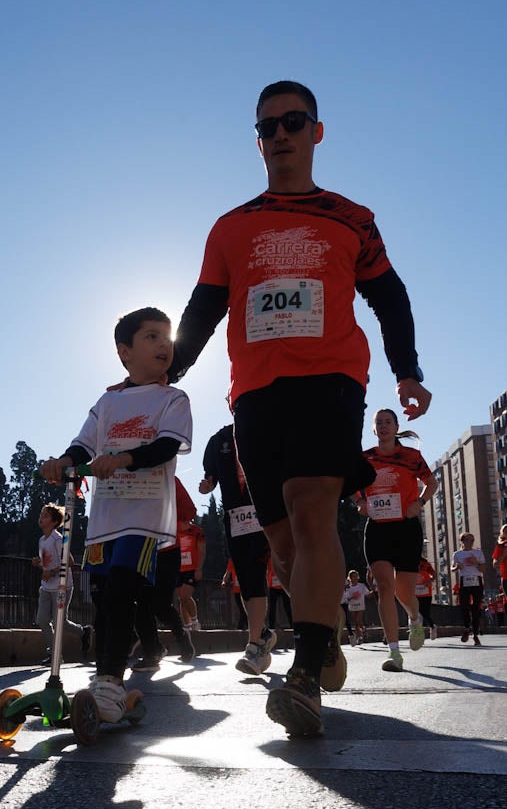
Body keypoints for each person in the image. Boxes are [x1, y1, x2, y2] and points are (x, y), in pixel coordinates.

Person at [170, 80, 429, 738]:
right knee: (283, 546)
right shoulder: (231, 227)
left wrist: (407, 371)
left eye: (293, 121)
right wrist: (167, 373)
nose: (280, 134)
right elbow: (203, 307)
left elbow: (390, 296)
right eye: (267, 127)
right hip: (254, 394)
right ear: (257, 141)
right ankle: (323, 630)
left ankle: (306, 673)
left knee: (315, 512)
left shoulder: (351, 218)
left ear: (317, 131)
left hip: (331, 381)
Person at [40, 307, 192, 721]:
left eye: (167, 336)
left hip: (144, 517)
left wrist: (123, 457)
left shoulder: (172, 399)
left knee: (125, 583)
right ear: (124, 352)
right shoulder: (107, 402)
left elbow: (165, 447)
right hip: (105, 518)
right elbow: (82, 447)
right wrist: (62, 462)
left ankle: (110, 679)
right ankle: (103, 679)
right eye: (152, 337)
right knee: (104, 594)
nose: (164, 344)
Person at [353, 409, 439, 672]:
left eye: (388, 422)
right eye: (379, 423)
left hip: (406, 529)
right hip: (378, 528)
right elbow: (352, 488)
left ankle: (415, 618)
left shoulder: (411, 457)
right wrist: (360, 503)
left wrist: (420, 503)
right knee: (384, 588)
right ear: (374, 429)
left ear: (396, 426)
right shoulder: (365, 458)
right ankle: (394, 653)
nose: (383, 426)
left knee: (404, 592)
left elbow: (431, 483)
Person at [200, 423, 278, 674]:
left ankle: (257, 644)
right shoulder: (218, 439)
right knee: (246, 579)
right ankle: (261, 636)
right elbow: (210, 478)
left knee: (269, 574)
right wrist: (206, 486)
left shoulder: (265, 428)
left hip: (268, 513)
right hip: (235, 519)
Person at [134, 477, 198, 668]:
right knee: (140, 603)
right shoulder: (128, 481)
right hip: (139, 549)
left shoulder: (168, 479)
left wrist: (167, 513)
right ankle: (152, 652)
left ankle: (182, 637)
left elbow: (190, 510)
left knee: (160, 605)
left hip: (167, 550)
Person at [33, 502, 91, 664]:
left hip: (62, 587)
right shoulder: (41, 540)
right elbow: (47, 564)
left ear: (53, 522)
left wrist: (50, 572)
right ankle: (57, 651)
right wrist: (38, 563)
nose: (41, 518)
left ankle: (58, 652)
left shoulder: (58, 539)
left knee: (60, 622)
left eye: (45, 516)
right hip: (45, 587)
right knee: (42, 620)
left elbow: (70, 561)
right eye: (41, 515)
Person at [450, 531, 486, 645]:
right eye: (467, 540)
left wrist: (476, 562)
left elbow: (483, 569)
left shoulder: (478, 553)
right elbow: (452, 568)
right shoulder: (457, 554)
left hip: (477, 580)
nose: (470, 542)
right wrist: (456, 567)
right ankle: (466, 628)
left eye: (472, 540)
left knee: (476, 608)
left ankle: (475, 634)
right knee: (464, 607)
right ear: (462, 541)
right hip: (464, 580)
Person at [176, 508, 206, 635]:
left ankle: (195, 621)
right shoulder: (173, 530)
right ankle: (187, 626)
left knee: (185, 596)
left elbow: (202, 550)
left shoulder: (197, 531)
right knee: (181, 599)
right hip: (177, 568)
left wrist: (199, 568)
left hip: (192, 569)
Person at [342, 570, 369, 646]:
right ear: (350, 578)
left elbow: (368, 594)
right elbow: (346, 598)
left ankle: (361, 634)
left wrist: (376, 590)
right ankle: (361, 634)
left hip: (360, 605)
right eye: (353, 576)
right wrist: (352, 597)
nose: (355, 578)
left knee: (358, 620)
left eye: (356, 576)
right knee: (356, 623)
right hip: (352, 606)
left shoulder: (362, 586)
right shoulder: (348, 587)